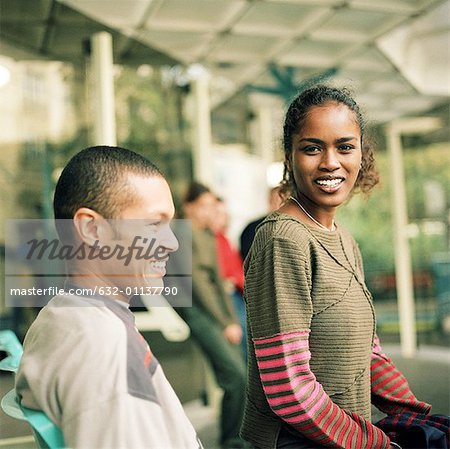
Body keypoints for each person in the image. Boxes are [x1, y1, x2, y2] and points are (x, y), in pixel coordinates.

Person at [241, 85, 431, 449]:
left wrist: (419, 418)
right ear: (290, 156)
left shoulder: (344, 240)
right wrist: (376, 444)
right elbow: (287, 386)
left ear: (362, 153)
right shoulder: (283, 240)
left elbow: (368, 352)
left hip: (348, 436)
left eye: (345, 146)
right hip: (299, 442)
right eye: (312, 148)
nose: (330, 161)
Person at [16, 146, 203, 449]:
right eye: (155, 224)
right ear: (91, 228)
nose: (172, 243)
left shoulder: (61, 316)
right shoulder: (105, 346)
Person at [178, 182, 247, 449]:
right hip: (198, 313)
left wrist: (231, 319)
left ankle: (238, 438)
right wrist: (225, 322)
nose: (209, 211)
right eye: (203, 205)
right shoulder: (183, 234)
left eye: (211, 205)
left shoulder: (208, 235)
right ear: (189, 207)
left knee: (241, 376)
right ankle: (232, 441)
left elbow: (218, 283)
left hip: (220, 314)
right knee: (235, 376)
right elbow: (200, 285)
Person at [210, 196, 247, 359]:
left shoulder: (225, 239)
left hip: (239, 292)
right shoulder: (212, 241)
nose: (223, 217)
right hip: (229, 296)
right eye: (218, 213)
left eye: (224, 213)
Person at [239, 186, 285, 262]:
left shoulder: (292, 229)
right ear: (269, 201)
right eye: (274, 201)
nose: (277, 206)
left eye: (281, 202)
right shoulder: (252, 229)